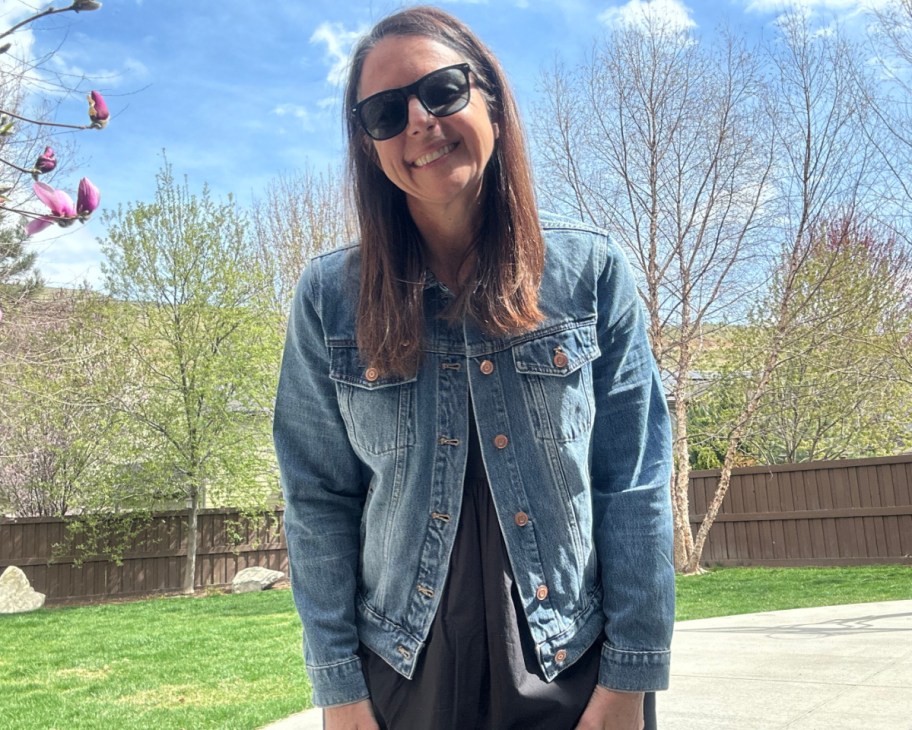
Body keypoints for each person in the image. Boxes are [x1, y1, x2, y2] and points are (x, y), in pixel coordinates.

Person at [273, 6, 675, 729]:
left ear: (488, 94)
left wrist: (629, 681)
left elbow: (634, 482)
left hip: (574, 666)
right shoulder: (328, 300)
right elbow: (317, 502)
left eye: (442, 90)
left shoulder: (590, 274)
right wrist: (340, 694)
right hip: (402, 676)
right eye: (385, 112)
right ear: (369, 146)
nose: (419, 121)